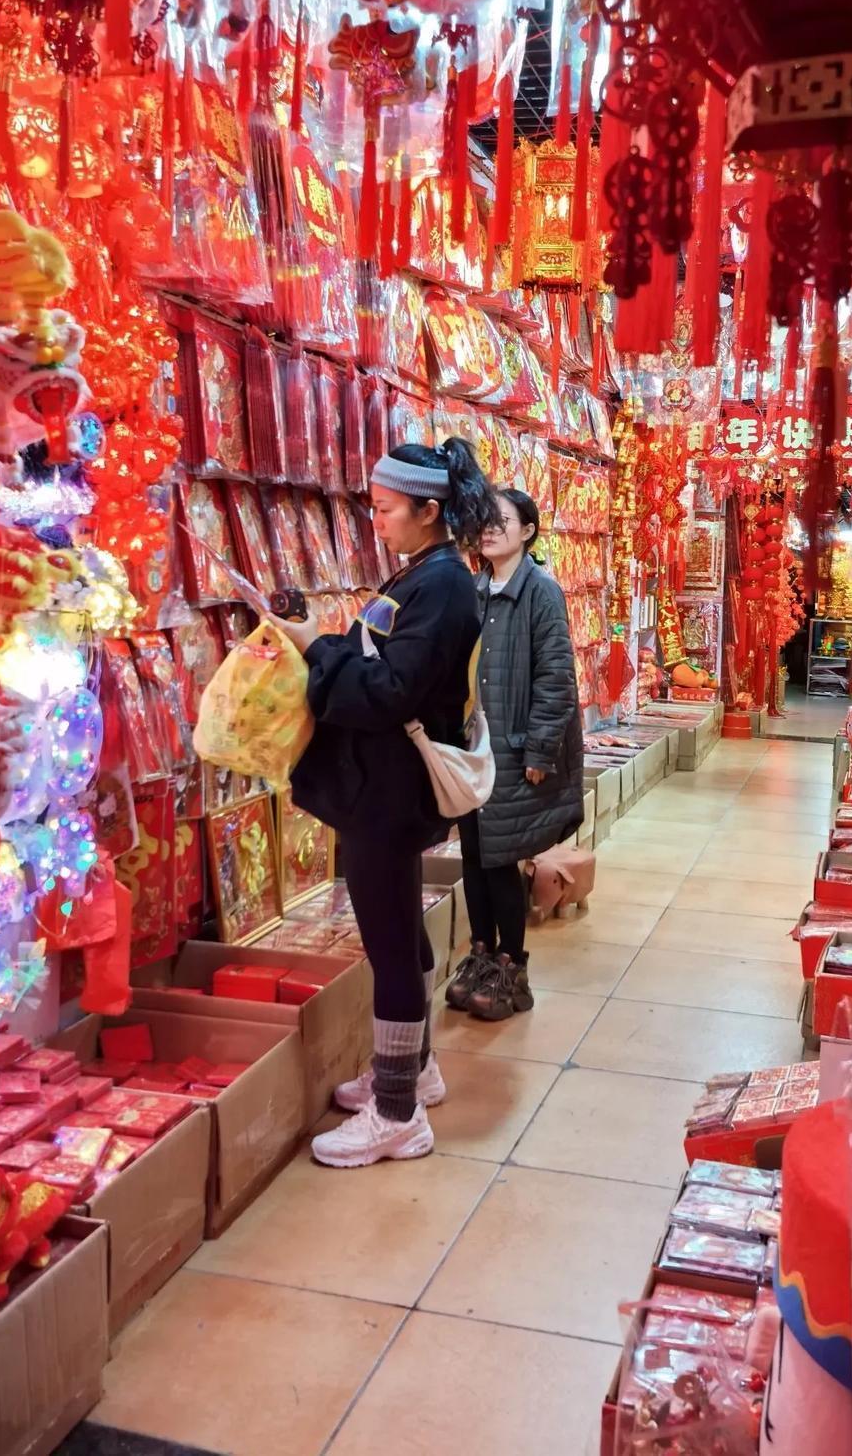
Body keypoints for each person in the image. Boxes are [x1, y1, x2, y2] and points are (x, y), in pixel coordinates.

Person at [278, 439, 500, 1168]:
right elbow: (381, 657)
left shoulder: (442, 585)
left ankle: (398, 1113)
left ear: (428, 511)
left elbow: (388, 691)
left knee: (391, 945)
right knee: (400, 929)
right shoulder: (425, 572)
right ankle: (415, 1069)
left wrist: (316, 649)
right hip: (383, 784)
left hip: (388, 789)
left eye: (385, 509)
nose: (376, 522)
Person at [447, 488, 584, 1021]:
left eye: (501, 520)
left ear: (527, 530)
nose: (489, 528)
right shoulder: (475, 589)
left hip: (513, 748)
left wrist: (540, 749)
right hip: (474, 748)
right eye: (484, 519)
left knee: (501, 859)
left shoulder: (540, 592)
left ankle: (512, 967)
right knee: (474, 856)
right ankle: (481, 955)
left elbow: (556, 677)